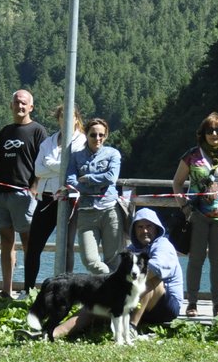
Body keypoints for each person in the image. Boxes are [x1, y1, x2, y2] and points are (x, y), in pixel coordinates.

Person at [55, 207, 184, 339]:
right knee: (91, 306)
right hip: (136, 303)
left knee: (151, 279)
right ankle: (52, 334)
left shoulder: (163, 245)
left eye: (148, 226)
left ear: (156, 228)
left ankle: (131, 328)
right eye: (140, 227)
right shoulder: (131, 250)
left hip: (165, 306)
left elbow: (155, 270)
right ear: (134, 230)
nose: (144, 230)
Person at [172, 112, 218, 316]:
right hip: (197, 215)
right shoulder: (191, 156)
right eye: (210, 130)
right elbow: (177, 183)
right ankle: (192, 303)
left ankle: (217, 303)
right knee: (195, 259)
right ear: (202, 133)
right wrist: (184, 206)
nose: (214, 134)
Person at [0, 89, 45, 298]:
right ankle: (6, 289)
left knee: (28, 241)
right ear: (11, 106)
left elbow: (43, 163)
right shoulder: (5, 131)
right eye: (16, 103)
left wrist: (34, 188)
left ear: (31, 107)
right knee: (5, 241)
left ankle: (29, 288)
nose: (19, 106)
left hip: (23, 195)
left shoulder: (38, 131)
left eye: (24, 103)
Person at [26, 105, 85, 293]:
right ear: (58, 119)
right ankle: (28, 289)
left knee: (67, 246)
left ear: (76, 119)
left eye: (70, 116)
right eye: (62, 116)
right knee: (34, 245)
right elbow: (37, 170)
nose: (65, 120)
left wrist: (50, 165)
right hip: (46, 199)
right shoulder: (48, 142)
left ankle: (64, 291)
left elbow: (75, 167)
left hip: (69, 200)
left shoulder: (82, 141)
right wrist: (61, 166)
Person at [67, 117, 123, 276]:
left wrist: (88, 179)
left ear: (106, 136)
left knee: (114, 259)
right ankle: (111, 283)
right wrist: (98, 182)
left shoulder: (113, 153)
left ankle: (110, 298)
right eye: (93, 135)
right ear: (86, 134)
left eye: (101, 135)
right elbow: (70, 181)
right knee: (90, 260)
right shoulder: (76, 156)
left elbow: (112, 177)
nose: (97, 138)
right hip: (86, 212)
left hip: (110, 211)